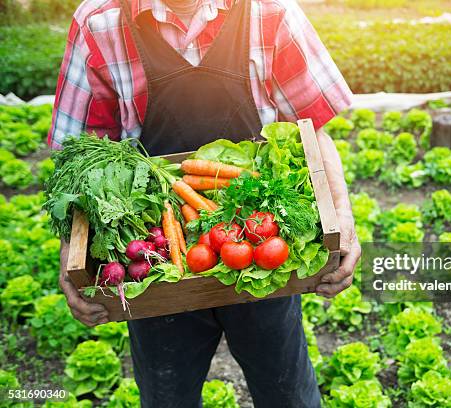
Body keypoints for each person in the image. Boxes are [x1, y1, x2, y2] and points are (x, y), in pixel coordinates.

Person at [48, 0, 360, 406]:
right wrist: (70, 258)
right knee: (167, 396)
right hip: (158, 258)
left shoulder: (271, 11)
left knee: (288, 393)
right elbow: (80, 159)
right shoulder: (99, 22)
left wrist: (343, 222)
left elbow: (313, 126)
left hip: (259, 248)